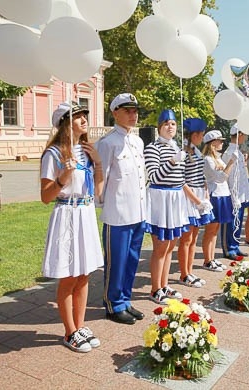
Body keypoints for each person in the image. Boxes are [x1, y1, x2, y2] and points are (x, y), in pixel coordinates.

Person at [41, 102, 104, 352]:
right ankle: (69, 332)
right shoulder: (54, 154)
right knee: (69, 275)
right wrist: (62, 179)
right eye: (77, 116)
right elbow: (45, 196)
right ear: (65, 123)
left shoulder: (87, 151)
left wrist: (98, 163)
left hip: (86, 212)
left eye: (84, 114)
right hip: (67, 213)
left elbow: (98, 191)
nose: (84, 119)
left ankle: (80, 325)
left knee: (84, 272)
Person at [96, 93, 147, 325]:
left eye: (135, 111)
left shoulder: (138, 142)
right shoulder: (108, 143)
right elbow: (101, 178)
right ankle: (113, 304)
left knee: (131, 260)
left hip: (137, 213)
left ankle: (125, 299)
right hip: (117, 214)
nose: (133, 114)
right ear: (115, 112)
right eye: (127, 110)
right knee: (116, 261)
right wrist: (100, 207)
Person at [143, 109, 188, 304]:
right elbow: (154, 176)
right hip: (161, 198)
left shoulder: (177, 148)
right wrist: (172, 161)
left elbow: (181, 177)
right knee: (160, 246)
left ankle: (164, 284)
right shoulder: (153, 148)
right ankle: (155, 289)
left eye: (173, 124)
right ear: (160, 127)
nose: (170, 127)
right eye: (166, 124)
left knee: (171, 246)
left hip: (175, 198)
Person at [177, 118, 214, 288]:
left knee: (194, 238)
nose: (202, 137)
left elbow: (202, 175)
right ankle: (183, 274)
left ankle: (190, 271)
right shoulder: (183, 153)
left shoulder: (197, 152)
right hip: (189, 197)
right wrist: (197, 200)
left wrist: (205, 194)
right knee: (186, 238)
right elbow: (181, 181)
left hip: (200, 196)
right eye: (200, 134)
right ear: (193, 135)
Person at [202, 130, 236, 270]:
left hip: (223, 194)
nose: (222, 142)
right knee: (210, 229)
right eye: (219, 140)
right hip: (214, 195)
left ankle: (212, 258)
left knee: (216, 229)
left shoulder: (218, 158)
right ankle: (207, 260)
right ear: (212, 143)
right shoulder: (208, 159)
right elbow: (220, 177)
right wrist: (231, 163)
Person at [221, 125, 249, 260]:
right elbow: (230, 176)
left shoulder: (238, 151)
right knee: (231, 222)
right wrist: (234, 196)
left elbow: (242, 176)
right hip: (233, 194)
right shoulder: (229, 152)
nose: (245, 138)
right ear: (239, 135)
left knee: (238, 221)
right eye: (243, 135)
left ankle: (235, 245)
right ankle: (229, 248)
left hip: (240, 194)